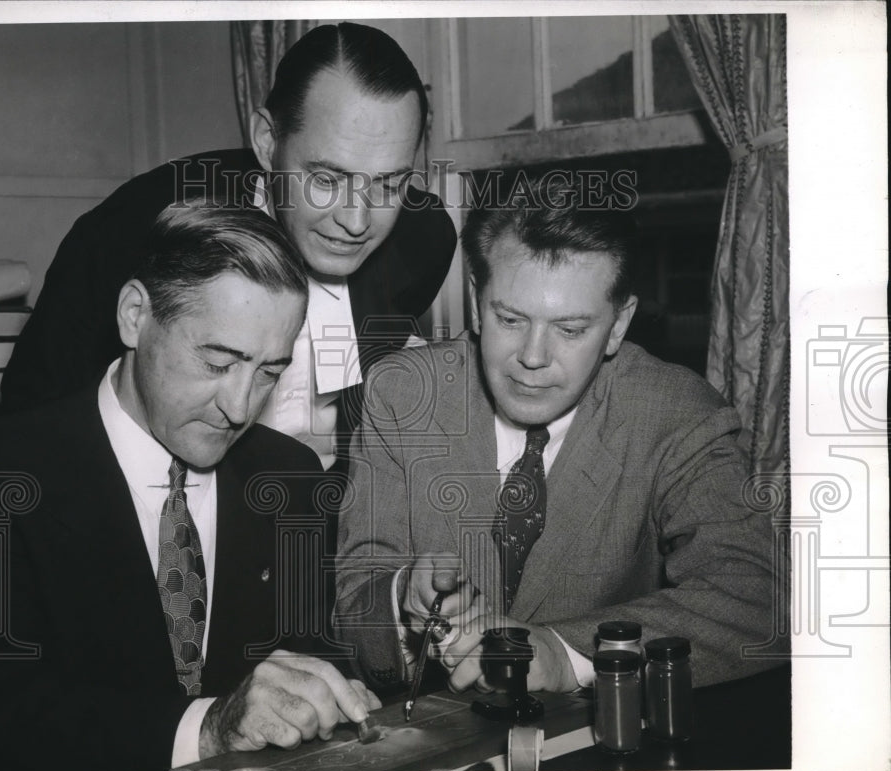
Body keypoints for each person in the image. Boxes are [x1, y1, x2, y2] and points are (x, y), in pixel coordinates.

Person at [0, 207, 379, 771]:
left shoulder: (293, 478)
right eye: (218, 361)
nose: (239, 407)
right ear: (135, 317)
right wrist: (207, 729)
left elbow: (308, 664)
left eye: (269, 372)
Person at [335, 179, 781, 695]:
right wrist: (400, 599)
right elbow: (354, 615)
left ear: (618, 326)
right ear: (477, 305)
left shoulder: (677, 415)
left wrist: (568, 652)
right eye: (509, 319)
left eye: (570, 330)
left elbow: (762, 599)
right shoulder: (403, 394)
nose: (532, 356)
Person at [0, 22, 457, 470]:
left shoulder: (421, 240)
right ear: (266, 141)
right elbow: (31, 425)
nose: (356, 222)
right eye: (325, 179)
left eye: (388, 186)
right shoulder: (136, 231)